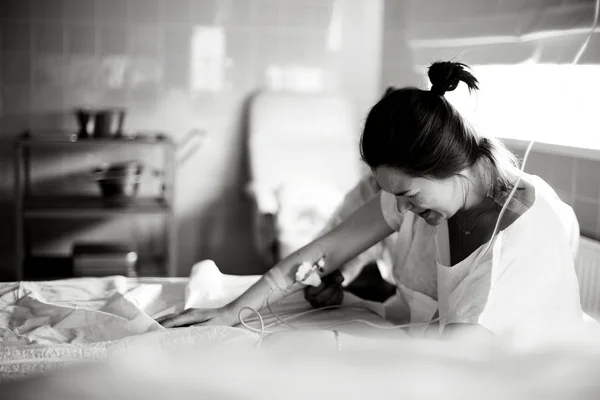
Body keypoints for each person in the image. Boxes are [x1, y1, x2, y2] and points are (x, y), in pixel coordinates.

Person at [158, 61, 583, 339]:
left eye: (407, 195)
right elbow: (325, 250)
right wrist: (229, 314)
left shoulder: (518, 239)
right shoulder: (435, 194)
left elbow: (455, 365)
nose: (401, 208)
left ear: (448, 166)